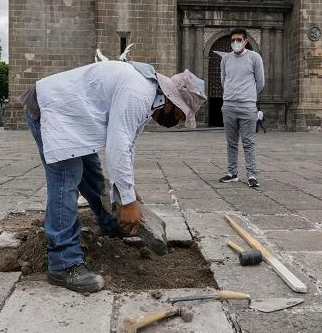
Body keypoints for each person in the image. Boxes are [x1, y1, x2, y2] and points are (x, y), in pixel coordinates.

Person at [20, 60, 206, 293]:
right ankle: (63, 263)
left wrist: (127, 188)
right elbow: (117, 145)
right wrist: (128, 203)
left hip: (73, 118)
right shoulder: (139, 92)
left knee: (91, 172)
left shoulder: (148, 94)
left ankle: (109, 223)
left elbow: (128, 144)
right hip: (52, 110)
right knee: (66, 180)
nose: (176, 122)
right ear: (172, 102)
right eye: (179, 115)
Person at [219, 29, 265, 188]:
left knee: (248, 142)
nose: (235, 43)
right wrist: (231, 94)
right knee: (231, 142)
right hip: (229, 105)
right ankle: (232, 173)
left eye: (239, 39)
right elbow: (223, 80)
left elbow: (260, 82)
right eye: (233, 40)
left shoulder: (254, 57)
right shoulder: (225, 59)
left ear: (245, 41)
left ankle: (251, 175)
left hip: (247, 106)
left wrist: (248, 96)